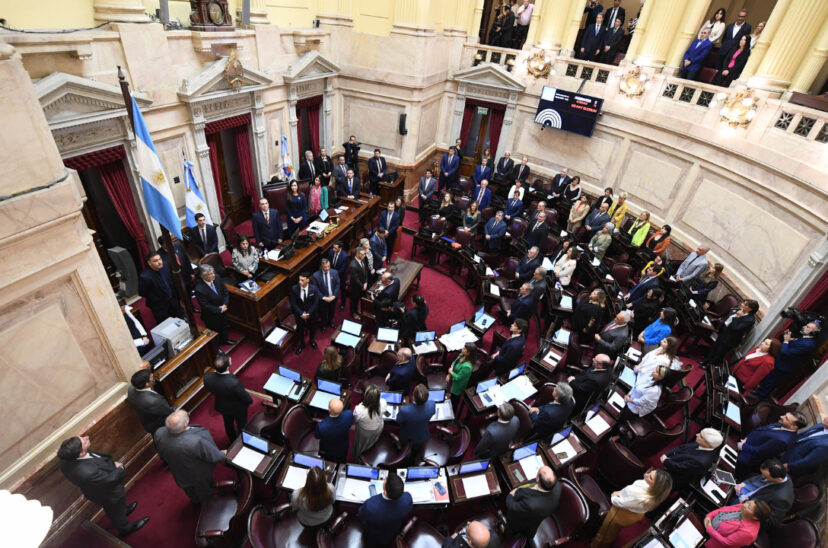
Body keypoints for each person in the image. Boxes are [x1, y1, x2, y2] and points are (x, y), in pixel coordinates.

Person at [58, 435, 149, 537]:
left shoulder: (68, 458)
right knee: (115, 510)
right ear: (81, 453)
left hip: (97, 488)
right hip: (108, 493)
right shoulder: (87, 472)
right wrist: (120, 468)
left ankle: (123, 511)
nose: (87, 437)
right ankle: (126, 528)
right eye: (84, 441)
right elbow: (110, 480)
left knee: (117, 508)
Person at [154, 410, 226, 504]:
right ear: (185, 425)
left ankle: (196, 502)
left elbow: (161, 453)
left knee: (191, 492)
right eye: (187, 415)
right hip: (199, 474)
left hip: (179, 473)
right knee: (206, 495)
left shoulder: (159, 433)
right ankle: (208, 505)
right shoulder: (195, 441)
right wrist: (223, 454)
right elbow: (215, 456)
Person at [590, 469, 673, 548]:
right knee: (612, 531)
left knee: (605, 533)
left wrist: (614, 496)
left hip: (620, 513)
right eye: (650, 472)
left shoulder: (640, 498)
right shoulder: (655, 494)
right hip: (632, 512)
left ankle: (596, 545)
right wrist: (620, 493)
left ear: (655, 487)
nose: (646, 475)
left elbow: (620, 503)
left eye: (650, 477)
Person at [754, 321, 820, 399]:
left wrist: (786, 341)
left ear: (813, 332)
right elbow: (792, 346)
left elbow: (786, 352)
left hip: (784, 366)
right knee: (768, 378)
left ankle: (759, 397)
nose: (804, 327)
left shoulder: (808, 344)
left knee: (771, 381)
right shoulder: (804, 338)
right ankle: (758, 392)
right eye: (806, 325)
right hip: (780, 361)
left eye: (807, 327)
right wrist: (788, 338)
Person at [735, 412, 807, 479]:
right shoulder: (783, 424)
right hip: (745, 443)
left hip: (746, 457)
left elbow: (760, 452)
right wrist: (747, 439)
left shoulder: (782, 441)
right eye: (785, 415)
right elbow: (763, 430)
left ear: (794, 427)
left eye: (786, 418)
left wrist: (743, 446)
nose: (781, 416)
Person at [204, 353, 252, 442]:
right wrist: (250, 401)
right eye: (230, 361)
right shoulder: (234, 382)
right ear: (227, 367)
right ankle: (242, 440)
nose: (231, 360)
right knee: (242, 424)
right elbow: (245, 397)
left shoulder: (207, 377)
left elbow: (210, 389)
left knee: (228, 424)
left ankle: (232, 440)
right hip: (238, 408)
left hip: (222, 406)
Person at [731, 459, 793, 526]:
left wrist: (747, 503)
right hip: (744, 493)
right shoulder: (779, 474)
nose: (762, 477)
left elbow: (772, 521)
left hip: (745, 510)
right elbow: (760, 477)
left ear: (779, 479)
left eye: (765, 476)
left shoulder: (782, 499)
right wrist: (744, 483)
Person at [359, 473, 414, 548]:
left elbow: (361, 514)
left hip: (373, 539)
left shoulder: (370, 506)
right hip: (392, 535)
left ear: (385, 490)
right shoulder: (407, 499)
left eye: (385, 480)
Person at [505, 466, 562, 538]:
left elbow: (512, 506)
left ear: (537, 479)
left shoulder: (530, 504)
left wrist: (511, 494)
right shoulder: (558, 486)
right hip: (538, 513)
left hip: (522, 523)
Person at [701, 299, 759, 367]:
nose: (742, 304)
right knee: (714, 347)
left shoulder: (750, 320)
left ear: (750, 309)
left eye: (745, 304)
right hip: (724, 331)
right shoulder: (739, 310)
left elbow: (736, 328)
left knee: (719, 353)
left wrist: (737, 317)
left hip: (730, 338)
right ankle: (705, 362)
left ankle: (710, 366)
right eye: (743, 303)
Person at [138, 250, 184, 324]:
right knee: (166, 324)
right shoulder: (145, 277)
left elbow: (172, 280)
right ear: (149, 263)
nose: (159, 262)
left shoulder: (166, 265)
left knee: (181, 319)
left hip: (173, 300)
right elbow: (142, 293)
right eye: (155, 261)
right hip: (160, 306)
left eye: (160, 259)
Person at [127, 369, 174, 436]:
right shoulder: (155, 401)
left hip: (147, 423)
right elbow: (168, 412)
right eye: (152, 379)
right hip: (161, 426)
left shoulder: (131, 389)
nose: (154, 380)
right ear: (147, 384)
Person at [194, 264, 232, 346]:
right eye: (210, 274)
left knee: (223, 326)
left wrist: (225, 304)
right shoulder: (199, 289)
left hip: (223, 309)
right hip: (211, 315)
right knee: (215, 331)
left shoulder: (217, 278)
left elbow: (225, 291)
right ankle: (217, 347)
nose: (213, 275)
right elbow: (205, 305)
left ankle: (225, 340)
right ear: (203, 276)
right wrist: (219, 310)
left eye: (213, 272)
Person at [704, 500, 769, 548]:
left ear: (755, 517)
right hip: (708, 525)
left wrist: (709, 528)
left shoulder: (747, 533)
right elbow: (724, 509)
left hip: (711, 542)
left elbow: (726, 543)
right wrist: (709, 516)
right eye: (748, 502)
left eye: (749, 507)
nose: (744, 505)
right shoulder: (742, 507)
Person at [397, 384, 436, 454]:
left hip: (407, 438)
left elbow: (398, 421)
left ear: (413, 397)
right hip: (423, 437)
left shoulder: (404, 410)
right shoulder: (432, 405)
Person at [351, 384, 387, 459]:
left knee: (360, 444)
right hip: (377, 428)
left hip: (364, 431)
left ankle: (357, 456)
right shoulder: (383, 403)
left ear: (366, 396)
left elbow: (356, 420)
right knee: (372, 441)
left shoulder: (359, 409)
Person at [315, 398, 354, 463]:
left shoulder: (321, 426)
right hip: (343, 447)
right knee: (342, 460)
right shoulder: (349, 414)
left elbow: (317, 436)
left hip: (328, 450)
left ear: (329, 409)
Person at [290, 271, 319, 354]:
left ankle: (312, 341)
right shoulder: (294, 289)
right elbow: (293, 303)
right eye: (299, 280)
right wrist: (301, 313)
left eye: (302, 280)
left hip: (311, 314)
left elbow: (315, 303)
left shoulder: (314, 289)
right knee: (300, 330)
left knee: (312, 328)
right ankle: (302, 344)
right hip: (299, 315)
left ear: (308, 280)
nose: (300, 282)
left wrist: (308, 313)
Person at [312, 258, 339, 332]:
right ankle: (324, 324)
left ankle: (330, 322)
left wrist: (334, 296)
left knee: (332, 311)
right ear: (321, 266)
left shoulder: (335, 272)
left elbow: (337, 284)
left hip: (333, 298)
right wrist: (323, 297)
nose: (327, 268)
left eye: (328, 266)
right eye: (325, 267)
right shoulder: (316, 275)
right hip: (322, 299)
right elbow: (315, 289)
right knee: (323, 313)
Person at [447, 343, 476, 409]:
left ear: (468, 353)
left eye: (464, 348)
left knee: (453, 401)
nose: (462, 348)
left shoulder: (467, 367)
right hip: (453, 379)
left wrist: (450, 372)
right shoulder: (461, 355)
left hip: (458, 386)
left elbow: (458, 378)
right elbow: (454, 363)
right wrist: (449, 374)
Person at [349, 248, 369, 317]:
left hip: (363, 285)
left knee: (360, 299)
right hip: (355, 287)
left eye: (364, 254)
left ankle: (357, 310)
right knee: (354, 301)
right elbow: (355, 279)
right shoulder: (353, 265)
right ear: (357, 254)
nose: (364, 255)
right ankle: (353, 313)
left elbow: (365, 271)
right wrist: (362, 286)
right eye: (363, 254)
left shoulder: (362, 259)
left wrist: (366, 282)